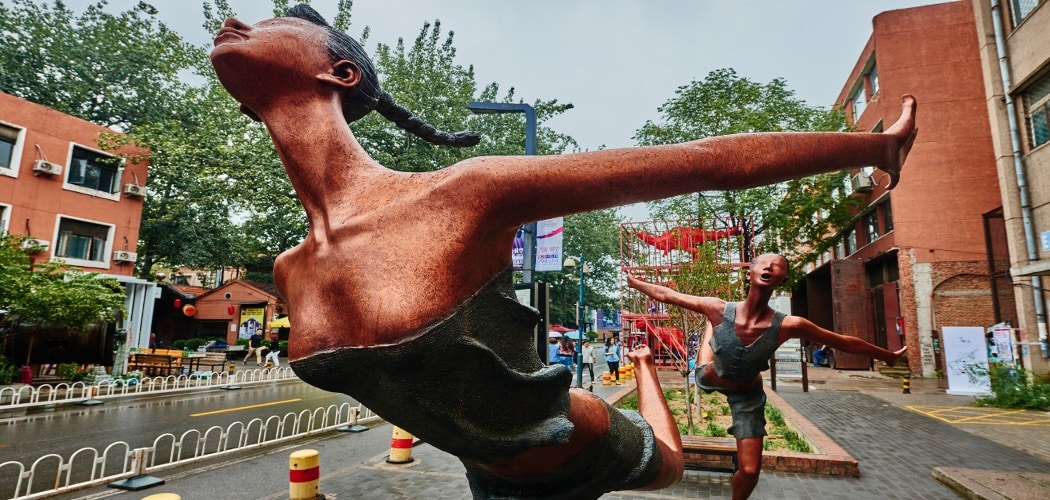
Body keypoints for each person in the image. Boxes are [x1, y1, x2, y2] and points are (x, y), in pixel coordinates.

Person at [209, 4, 915, 497]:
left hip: (578, 446)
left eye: (274, 25)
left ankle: (645, 378)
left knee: (668, 461)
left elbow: (708, 161)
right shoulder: (289, 270)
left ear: (340, 74)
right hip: (486, 476)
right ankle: (645, 372)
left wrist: (875, 149)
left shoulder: (462, 195)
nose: (238, 21)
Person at [627, 253, 907, 499]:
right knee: (706, 358)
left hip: (747, 395)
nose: (770, 267)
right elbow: (667, 294)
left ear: (782, 279)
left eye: (778, 265)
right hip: (710, 375)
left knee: (750, 470)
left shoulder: (788, 325)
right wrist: (634, 282)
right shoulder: (718, 307)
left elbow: (843, 341)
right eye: (764, 263)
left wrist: (888, 356)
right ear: (749, 272)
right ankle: (710, 333)